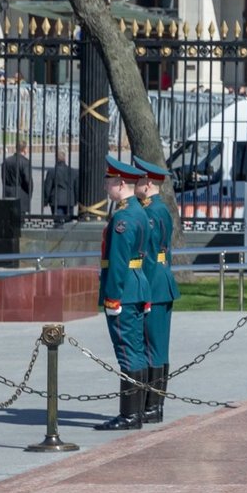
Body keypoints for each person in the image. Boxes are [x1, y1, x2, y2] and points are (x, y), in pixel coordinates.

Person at [94, 157, 152, 431]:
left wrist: (112, 297)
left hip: (124, 291)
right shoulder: (139, 212)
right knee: (136, 351)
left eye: (108, 182)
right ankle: (136, 412)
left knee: (127, 353)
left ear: (119, 183)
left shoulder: (123, 217)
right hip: (138, 286)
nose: (106, 186)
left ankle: (129, 415)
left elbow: (118, 262)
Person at [132, 158, 181, 424]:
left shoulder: (152, 213)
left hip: (154, 285)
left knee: (154, 347)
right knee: (156, 346)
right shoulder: (157, 210)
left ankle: (152, 406)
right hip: (160, 282)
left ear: (148, 183)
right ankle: (153, 405)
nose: (134, 185)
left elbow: (149, 256)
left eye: (137, 181)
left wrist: (145, 292)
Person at [1, 139, 34, 223]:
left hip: (8, 191)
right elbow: (27, 180)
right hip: (21, 192)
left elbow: (3, 177)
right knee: (20, 219)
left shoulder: (7, 161)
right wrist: (30, 191)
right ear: (24, 149)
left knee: (9, 218)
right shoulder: (25, 162)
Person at [42, 149, 76, 226]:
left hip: (56, 201)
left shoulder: (52, 171)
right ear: (65, 158)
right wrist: (76, 200)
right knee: (69, 225)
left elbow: (47, 187)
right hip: (69, 200)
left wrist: (45, 201)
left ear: (56, 158)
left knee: (57, 224)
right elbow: (76, 187)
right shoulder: (72, 171)